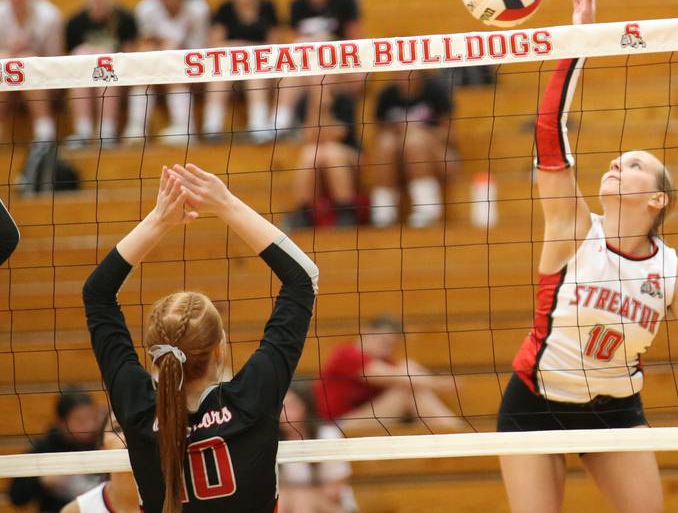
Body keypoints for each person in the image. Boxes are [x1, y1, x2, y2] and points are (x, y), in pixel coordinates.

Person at [497, 0, 678, 513]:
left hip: (614, 411)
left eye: (635, 164)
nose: (618, 162)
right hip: (535, 401)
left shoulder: (673, 273)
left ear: (657, 200)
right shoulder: (572, 228)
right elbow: (550, 129)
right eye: (618, 159)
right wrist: (579, 39)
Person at [83, 162, 318, 512]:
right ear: (219, 348)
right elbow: (303, 278)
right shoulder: (251, 401)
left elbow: (96, 295)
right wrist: (226, 204)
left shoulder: (138, 411)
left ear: (154, 355)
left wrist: (159, 220)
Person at [314, 316, 463, 435]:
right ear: (366, 332)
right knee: (406, 385)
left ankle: (456, 433)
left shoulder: (385, 362)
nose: (385, 349)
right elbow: (388, 375)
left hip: (364, 420)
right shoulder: (348, 355)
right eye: (382, 341)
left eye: (390, 346)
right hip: (335, 428)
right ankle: (457, 434)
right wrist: (439, 383)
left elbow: (405, 374)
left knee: (409, 373)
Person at [273, 0, 363, 138]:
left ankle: (316, 120)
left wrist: (328, 41)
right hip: (310, 68)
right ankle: (281, 122)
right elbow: (293, 45)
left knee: (317, 64)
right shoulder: (297, 4)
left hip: (341, 66)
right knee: (301, 69)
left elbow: (356, 43)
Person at [124, 0, 209, 144]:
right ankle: (136, 128)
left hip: (190, 66)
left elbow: (200, 50)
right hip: (156, 66)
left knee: (173, 62)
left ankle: (185, 128)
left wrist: (172, 49)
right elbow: (142, 44)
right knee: (145, 61)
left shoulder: (197, 8)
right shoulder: (146, 9)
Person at [204, 0, 280, 143]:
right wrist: (236, 48)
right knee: (219, 74)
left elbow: (276, 46)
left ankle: (259, 126)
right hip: (230, 69)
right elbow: (215, 47)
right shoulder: (224, 9)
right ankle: (212, 127)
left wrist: (247, 48)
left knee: (255, 72)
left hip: (262, 68)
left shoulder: (268, 7)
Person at [64, 0, 138, 148]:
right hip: (84, 78)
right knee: (80, 58)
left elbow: (132, 56)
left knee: (106, 63)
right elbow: (65, 61)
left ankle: (106, 130)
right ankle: (83, 130)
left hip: (119, 79)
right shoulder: (74, 23)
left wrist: (104, 55)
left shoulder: (125, 19)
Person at [370, 71, 454, 227]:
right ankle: (383, 211)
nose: (403, 75)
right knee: (386, 143)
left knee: (413, 141)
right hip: (397, 158)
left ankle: (427, 209)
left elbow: (448, 135)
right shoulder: (386, 94)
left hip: (438, 155)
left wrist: (416, 131)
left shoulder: (435, 90)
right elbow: (378, 133)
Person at [9, 388, 105, 512]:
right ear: (62, 422)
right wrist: (41, 481)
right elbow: (16, 497)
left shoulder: (103, 443)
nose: (89, 425)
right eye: (79, 420)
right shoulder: (46, 448)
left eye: (92, 417)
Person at [0, 0, 62, 143]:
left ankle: (45, 134)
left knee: (26, 61)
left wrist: (27, 57)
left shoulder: (49, 16)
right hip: (5, 88)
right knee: (4, 59)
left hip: (41, 84)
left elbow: (56, 61)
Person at [283, 90, 361, 229]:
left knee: (332, 153)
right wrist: (315, 107)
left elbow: (337, 134)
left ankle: (346, 212)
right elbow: (308, 137)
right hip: (319, 154)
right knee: (309, 154)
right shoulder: (304, 101)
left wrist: (325, 109)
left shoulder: (345, 99)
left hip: (350, 156)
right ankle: (304, 215)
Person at [279, 383, 358, 512]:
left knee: (302, 500)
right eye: (280, 407)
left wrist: (302, 494)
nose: (284, 413)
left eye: (291, 405)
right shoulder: (271, 440)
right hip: (290, 503)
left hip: (334, 506)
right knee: (282, 499)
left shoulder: (327, 435)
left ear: (306, 406)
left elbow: (335, 488)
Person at [60, 415, 140, 513]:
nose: (128, 435)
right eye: (117, 429)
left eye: (139, 428)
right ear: (102, 448)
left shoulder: (163, 504)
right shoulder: (76, 510)